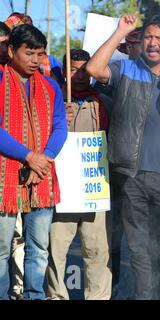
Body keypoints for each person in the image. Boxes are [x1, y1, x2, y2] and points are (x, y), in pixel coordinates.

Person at [86, 14, 160, 299]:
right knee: (140, 249)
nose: (152, 42)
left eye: (159, 38)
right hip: (132, 177)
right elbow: (94, 68)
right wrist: (120, 31)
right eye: (147, 37)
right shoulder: (126, 68)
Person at [0, 24, 67, 300]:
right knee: (2, 248)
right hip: (5, 179)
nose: (35, 60)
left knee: (38, 247)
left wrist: (44, 159)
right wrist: (28, 156)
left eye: (40, 54)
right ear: (12, 51)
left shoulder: (51, 86)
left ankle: (34, 295)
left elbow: (60, 126)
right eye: (29, 53)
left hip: (41, 178)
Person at [46, 49, 111, 300]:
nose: (80, 75)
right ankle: (56, 295)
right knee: (56, 249)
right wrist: (59, 116)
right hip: (61, 189)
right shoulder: (53, 98)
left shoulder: (102, 101)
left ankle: (98, 297)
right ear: (63, 71)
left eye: (85, 70)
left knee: (97, 250)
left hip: (93, 188)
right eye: (74, 70)